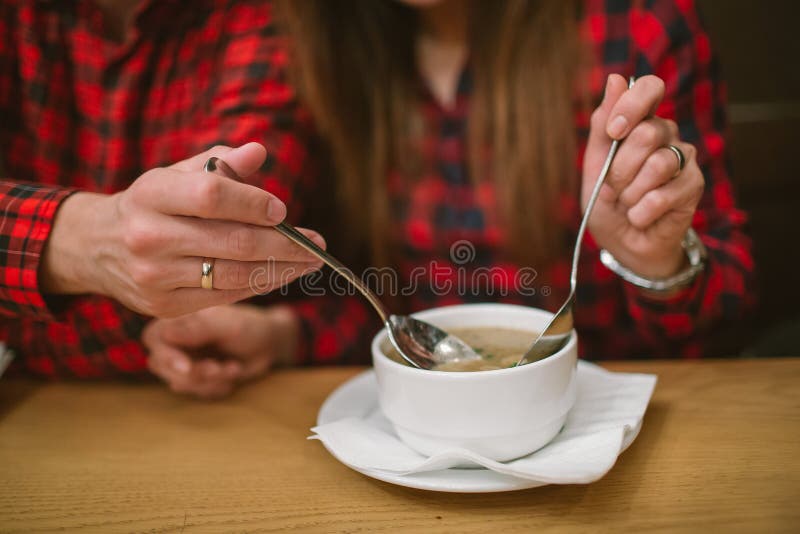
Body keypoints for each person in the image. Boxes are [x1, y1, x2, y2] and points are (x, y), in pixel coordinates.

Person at [1, 0, 754, 399]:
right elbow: (406, 293)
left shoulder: (633, 22)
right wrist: (287, 337)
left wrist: (654, 259)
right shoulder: (321, 45)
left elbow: (726, 314)